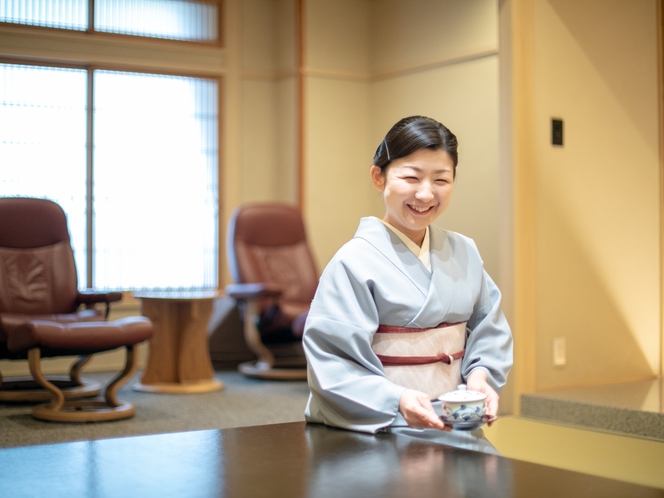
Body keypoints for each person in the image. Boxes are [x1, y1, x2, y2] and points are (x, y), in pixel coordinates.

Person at [302, 115, 513, 442]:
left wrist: (481, 377)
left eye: (441, 180)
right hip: (381, 423)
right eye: (411, 177)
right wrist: (396, 399)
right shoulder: (353, 262)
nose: (426, 194)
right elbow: (333, 362)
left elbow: (490, 328)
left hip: (454, 420)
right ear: (378, 176)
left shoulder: (464, 251)